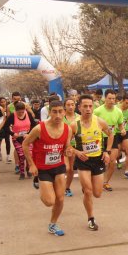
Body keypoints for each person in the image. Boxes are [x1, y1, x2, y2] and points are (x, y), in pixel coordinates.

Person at [22, 100, 74, 236]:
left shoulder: (67, 129)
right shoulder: (39, 128)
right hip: (42, 168)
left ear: (64, 112)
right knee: (49, 201)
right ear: (49, 112)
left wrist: (68, 151)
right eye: (54, 111)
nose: (58, 115)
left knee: (61, 199)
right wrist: (32, 164)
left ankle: (53, 224)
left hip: (59, 166)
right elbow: (25, 145)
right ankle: (37, 180)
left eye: (60, 111)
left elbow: (67, 147)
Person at [73, 94, 113, 231]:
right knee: (88, 192)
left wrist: (107, 151)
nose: (88, 109)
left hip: (98, 160)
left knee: (97, 193)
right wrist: (77, 152)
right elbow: (66, 145)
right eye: (85, 106)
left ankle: (87, 188)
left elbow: (111, 134)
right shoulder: (74, 125)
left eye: (90, 106)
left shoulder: (100, 122)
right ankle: (91, 218)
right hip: (83, 161)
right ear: (79, 108)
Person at [93, 90, 125, 191]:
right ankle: (96, 181)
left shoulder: (118, 111)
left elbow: (120, 124)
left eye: (113, 99)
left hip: (113, 137)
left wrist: (122, 129)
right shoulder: (97, 111)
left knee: (112, 162)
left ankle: (106, 182)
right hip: (99, 138)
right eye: (109, 98)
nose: (111, 101)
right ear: (105, 98)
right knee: (99, 162)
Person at [6, 101, 37, 180]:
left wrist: (29, 133)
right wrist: (13, 134)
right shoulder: (13, 116)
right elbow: (5, 127)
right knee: (21, 155)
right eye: (19, 112)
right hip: (17, 138)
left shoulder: (28, 114)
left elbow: (34, 125)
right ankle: (22, 172)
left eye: (22, 112)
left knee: (29, 154)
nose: (21, 113)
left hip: (27, 138)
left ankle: (28, 169)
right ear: (16, 111)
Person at [62, 97, 78, 196]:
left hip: (74, 146)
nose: (70, 107)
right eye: (68, 105)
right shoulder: (61, 117)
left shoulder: (79, 117)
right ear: (65, 106)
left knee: (71, 169)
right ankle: (60, 186)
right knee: (66, 168)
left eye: (72, 104)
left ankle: (67, 188)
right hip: (62, 146)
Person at [0, 97, 12, 163]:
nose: (3, 103)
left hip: (6, 127)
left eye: (4, 101)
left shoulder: (8, 108)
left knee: (7, 141)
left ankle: (8, 156)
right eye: (1, 102)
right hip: (0, 127)